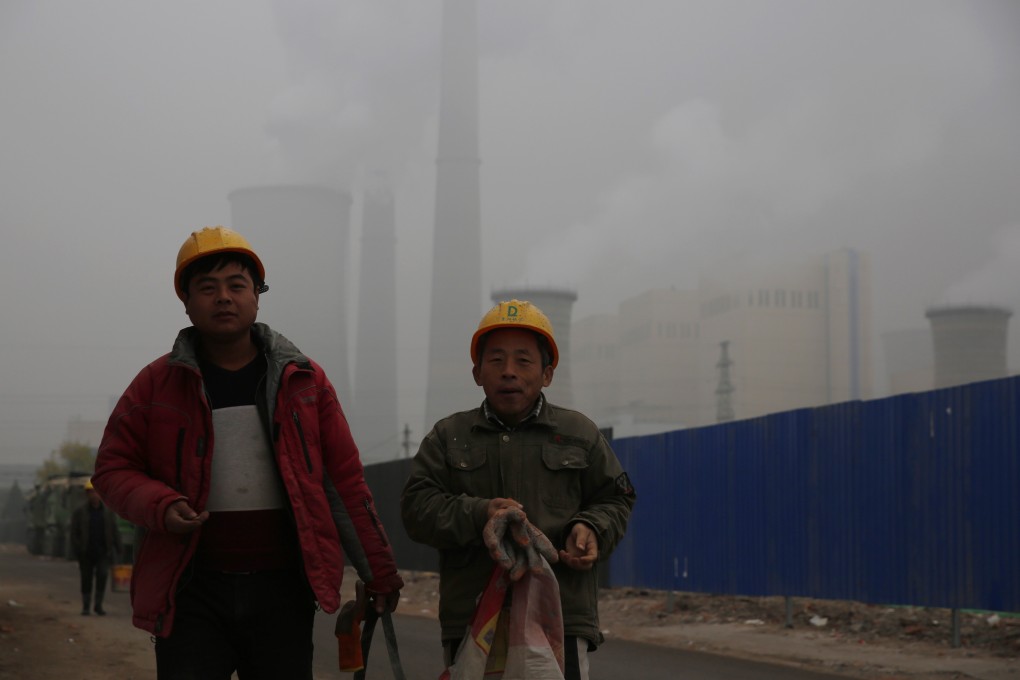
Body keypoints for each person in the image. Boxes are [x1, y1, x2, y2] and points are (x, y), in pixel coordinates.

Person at [93, 226, 403, 680]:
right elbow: (112, 468)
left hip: (283, 589)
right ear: (186, 301)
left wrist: (379, 571)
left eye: (237, 286)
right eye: (207, 288)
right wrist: (160, 505)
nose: (223, 298)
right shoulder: (156, 385)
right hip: (192, 588)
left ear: (257, 296)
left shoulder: (305, 383)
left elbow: (344, 482)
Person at [401, 299, 636, 680]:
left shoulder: (579, 434)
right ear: (477, 372)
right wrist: (481, 513)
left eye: (523, 361)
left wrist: (591, 527)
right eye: (496, 361)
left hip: (558, 618)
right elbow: (416, 508)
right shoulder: (449, 436)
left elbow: (616, 497)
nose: (509, 372)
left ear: (547, 374)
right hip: (474, 618)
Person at [70, 478, 123, 616]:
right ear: (87, 494)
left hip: (103, 552)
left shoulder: (107, 512)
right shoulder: (79, 512)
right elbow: (74, 533)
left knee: (102, 575)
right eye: (91, 492)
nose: (94, 495)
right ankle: (86, 606)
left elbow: (114, 530)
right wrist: (77, 549)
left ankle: (98, 605)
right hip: (86, 552)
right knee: (86, 579)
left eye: (96, 492)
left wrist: (118, 548)